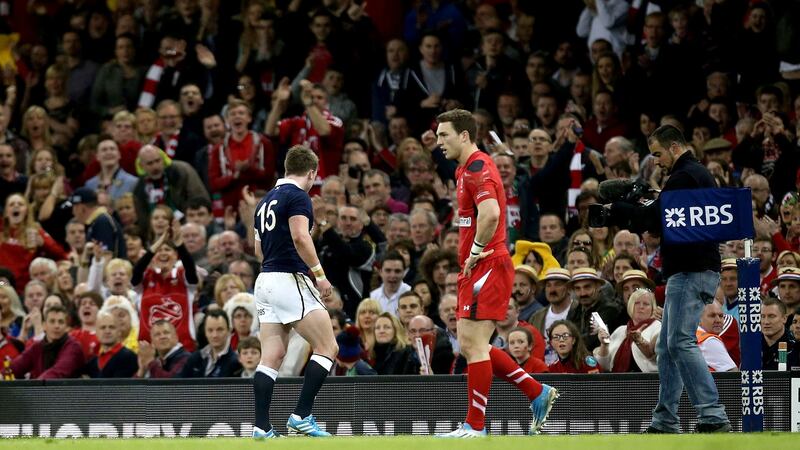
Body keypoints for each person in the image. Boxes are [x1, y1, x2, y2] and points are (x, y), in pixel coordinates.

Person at [433, 109, 556, 438]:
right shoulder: (463, 169)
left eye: (443, 135)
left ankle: (475, 426)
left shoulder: (477, 167)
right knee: (476, 345)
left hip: (486, 263)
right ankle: (535, 392)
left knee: (473, 345)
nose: (437, 141)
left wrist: (474, 252)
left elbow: (490, 214)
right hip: (478, 266)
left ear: (464, 136)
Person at [608, 124, 730, 433]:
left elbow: (656, 221)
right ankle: (665, 419)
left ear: (674, 147)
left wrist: (620, 209)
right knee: (666, 346)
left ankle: (712, 414)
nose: (657, 161)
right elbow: (665, 213)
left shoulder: (682, 177)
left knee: (679, 341)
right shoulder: (697, 174)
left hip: (689, 270)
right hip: (697, 268)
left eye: (658, 154)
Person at [250, 145, 339, 438]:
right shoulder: (298, 196)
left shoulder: (264, 201)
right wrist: (320, 276)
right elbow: (301, 237)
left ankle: (261, 427)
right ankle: (302, 415)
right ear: (311, 172)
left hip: (264, 280)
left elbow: (258, 249)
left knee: (272, 355)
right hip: (289, 277)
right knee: (328, 347)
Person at [594, 289, 661, 372]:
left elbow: (658, 357)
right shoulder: (620, 330)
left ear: (652, 309)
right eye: (637, 303)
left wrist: (640, 341)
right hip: (617, 381)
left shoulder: (658, 327)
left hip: (646, 380)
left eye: (646, 304)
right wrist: (604, 344)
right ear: (630, 305)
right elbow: (604, 366)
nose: (641, 307)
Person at [10, 306, 84, 379]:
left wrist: (35, 387)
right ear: (44, 325)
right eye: (52, 321)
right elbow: (16, 366)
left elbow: (58, 371)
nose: (56, 326)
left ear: (67, 328)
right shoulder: (37, 347)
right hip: (40, 388)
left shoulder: (73, 347)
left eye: (61, 322)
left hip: (66, 390)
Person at [180, 309, 242, 378]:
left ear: (229, 331)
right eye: (210, 330)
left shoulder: (236, 363)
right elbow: (178, 384)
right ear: (205, 332)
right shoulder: (195, 358)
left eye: (220, 330)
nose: (214, 335)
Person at [69, 187, 126, 258]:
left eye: (74, 208)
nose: (73, 212)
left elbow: (106, 256)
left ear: (82, 208)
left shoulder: (102, 222)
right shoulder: (96, 222)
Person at [84, 310, 138, 378]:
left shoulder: (130, 357)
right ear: (96, 333)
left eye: (112, 327)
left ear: (119, 332)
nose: (107, 331)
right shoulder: (92, 363)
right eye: (103, 327)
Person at [696, 302, 738, 372]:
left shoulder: (691, 334)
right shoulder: (709, 341)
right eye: (712, 316)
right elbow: (733, 375)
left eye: (721, 316)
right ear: (698, 319)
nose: (718, 320)